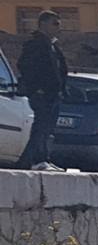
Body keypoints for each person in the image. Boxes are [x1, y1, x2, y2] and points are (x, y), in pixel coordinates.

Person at [18, 10, 67, 170]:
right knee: (41, 126)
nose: (58, 27)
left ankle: (42, 158)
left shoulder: (52, 45)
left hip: (53, 94)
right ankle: (33, 160)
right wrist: (36, 88)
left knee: (47, 128)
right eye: (55, 23)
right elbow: (25, 66)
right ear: (43, 24)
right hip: (42, 94)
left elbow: (58, 69)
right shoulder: (35, 44)